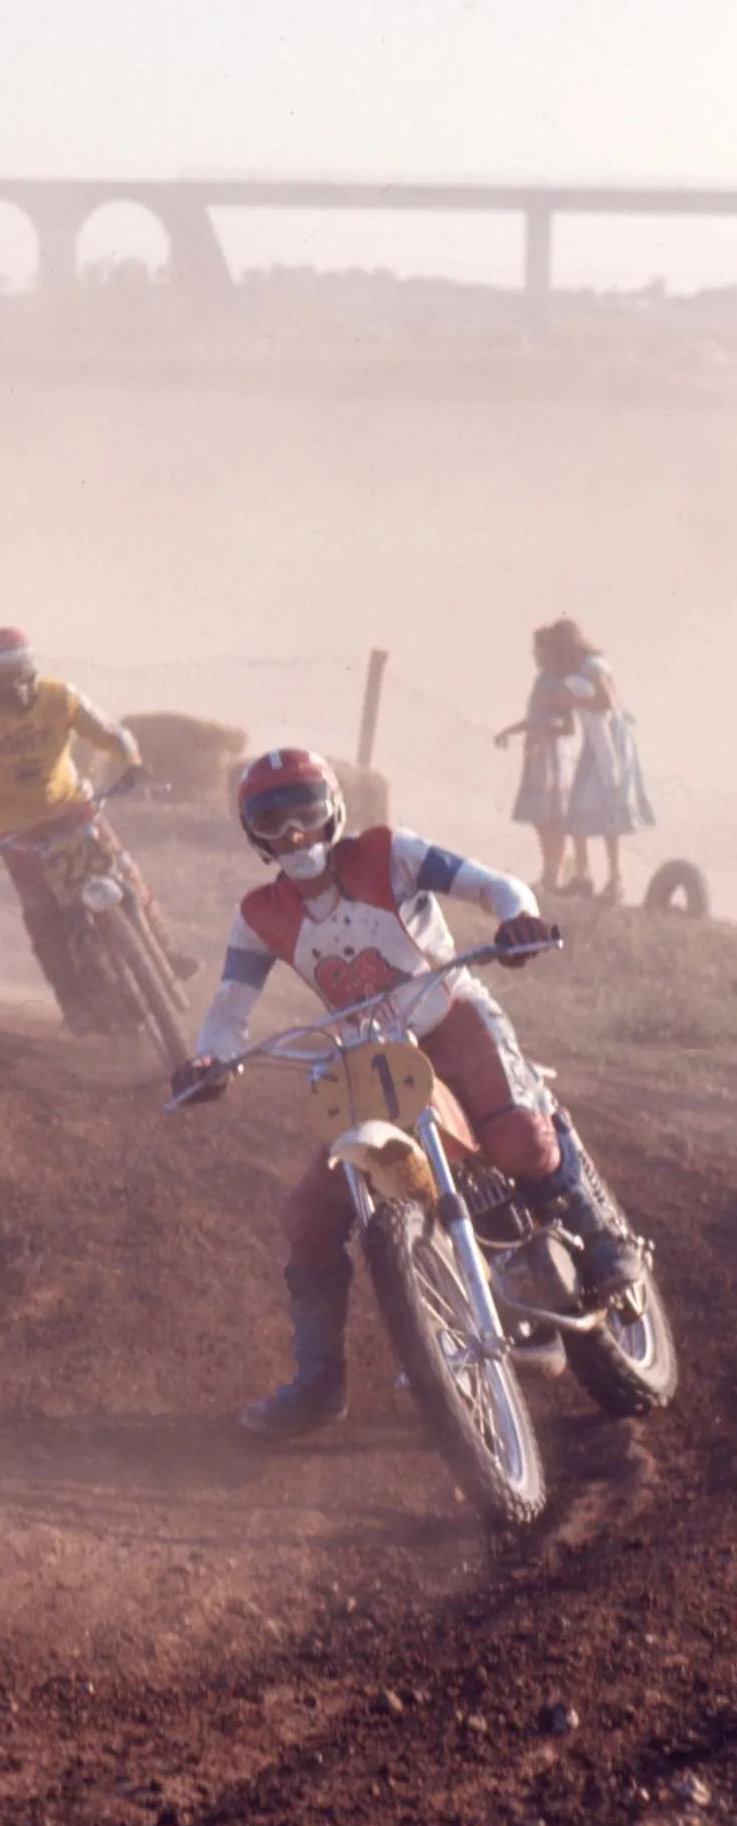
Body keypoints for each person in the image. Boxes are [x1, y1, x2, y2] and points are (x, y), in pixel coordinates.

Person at [172, 747, 641, 1441]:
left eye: (306, 812)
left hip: (451, 1019)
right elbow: (229, 1007)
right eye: (272, 822)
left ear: (333, 809)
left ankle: (601, 1242)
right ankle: (318, 1381)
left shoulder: (390, 853)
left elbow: (495, 885)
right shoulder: (259, 914)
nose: (294, 833)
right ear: (254, 836)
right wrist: (211, 1057)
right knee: (307, 1215)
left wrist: (518, 918)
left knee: (519, 1139)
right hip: (369, 1061)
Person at [0, 626, 196, 1031]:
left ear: (33, 669)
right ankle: (72, 999)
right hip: (16, 832)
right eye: (3, 679)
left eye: (21, 674)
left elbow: (111, 733)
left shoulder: (61, 697)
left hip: (75, 809)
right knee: (42, 912)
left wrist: (133, 762)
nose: (16, 688)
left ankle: (164, 950)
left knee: (125, 873)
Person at [543, 617, 654, 906]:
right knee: (579, 807)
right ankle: (584, 876)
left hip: (610, 744)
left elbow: (607, 702)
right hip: (596, 743)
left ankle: (614, 879)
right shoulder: (582, 668)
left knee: (607, 807)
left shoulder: (593, 666)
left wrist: (569, 703)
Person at [495, 625, 581, 896]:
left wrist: (541, 736)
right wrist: (510, 731)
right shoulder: (542, 679)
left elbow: (568, 726)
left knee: (552, 817)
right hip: (537, 753)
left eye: (538, 650)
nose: (534, 654)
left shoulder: (559, 683)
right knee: (541, 818)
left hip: (550, 755)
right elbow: (535, 717)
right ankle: (549, 874)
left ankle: (552, 876)